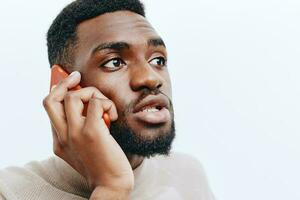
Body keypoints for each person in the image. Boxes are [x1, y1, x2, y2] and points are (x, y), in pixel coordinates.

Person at [0, 0, 215, 199]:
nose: (151, 78)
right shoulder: (8, 192)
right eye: (114, 62)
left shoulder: (187, 174)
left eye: (157, 59)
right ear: (65, 87)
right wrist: (112, 188)